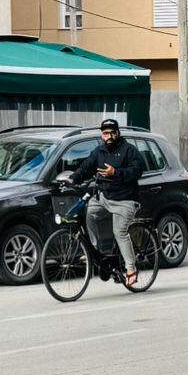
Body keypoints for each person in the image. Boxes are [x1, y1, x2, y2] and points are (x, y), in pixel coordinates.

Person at [71, 118, 144, 285]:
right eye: (105, 133)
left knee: (120, 232)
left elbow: (137, 170)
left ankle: (131, 269)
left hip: (125, 199)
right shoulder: (99, 151)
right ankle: (95, 252)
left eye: (112, 133)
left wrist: (115, 173)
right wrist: (72, 179)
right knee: (89, 214)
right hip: (104, 197)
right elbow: (86, 167)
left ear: (118, 133)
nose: (109, 136)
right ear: (101, 135)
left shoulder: (129, 150)